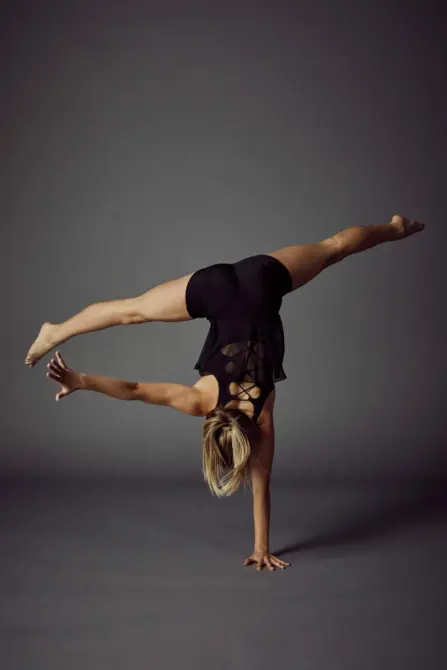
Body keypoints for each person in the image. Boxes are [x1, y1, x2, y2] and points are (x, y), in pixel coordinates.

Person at [24, 214, 425, 572]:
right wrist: (81, 380)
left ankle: (394, 229)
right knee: (134, 310)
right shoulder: (201, 402)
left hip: (261, 281)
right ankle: (394, 228)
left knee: (333, 250)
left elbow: (261, 486)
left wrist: (261, 549)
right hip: (214, 287)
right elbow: (134, 390)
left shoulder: (262, 415)